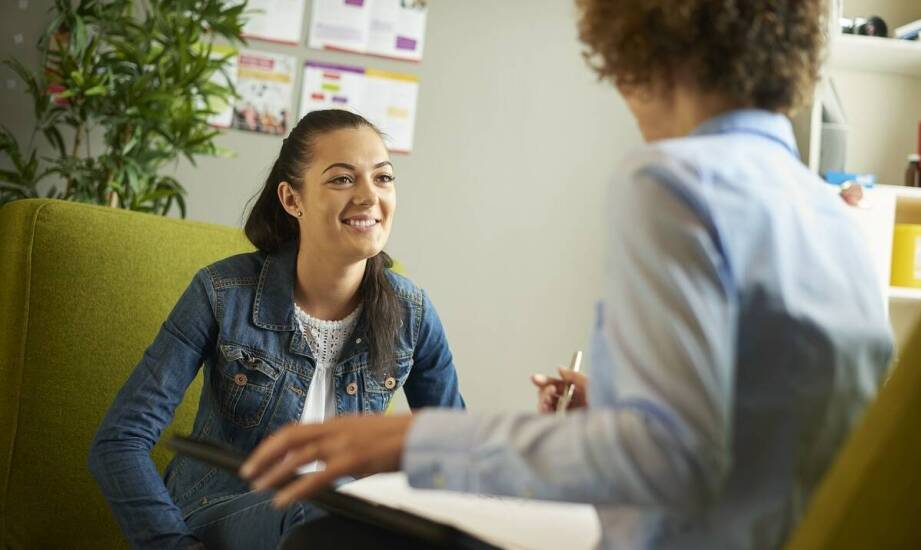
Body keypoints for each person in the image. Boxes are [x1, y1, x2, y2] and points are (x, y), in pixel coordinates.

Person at [240, 1, 894, 548]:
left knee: (322, 541)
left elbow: (661, 460)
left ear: (638, 44)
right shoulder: (831, 215)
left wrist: (409, 440)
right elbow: (759, 427)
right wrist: (614, 401)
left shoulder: (673, 178)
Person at [87, 109, 465, 549]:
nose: (369, 196)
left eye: (382, 178)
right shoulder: (222, 292)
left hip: (343, 526)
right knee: (324, 508)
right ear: (292, 199)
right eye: (342, 179)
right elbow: (120, 440)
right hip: (223, 514)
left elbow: (456, 458)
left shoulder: (412, 313)